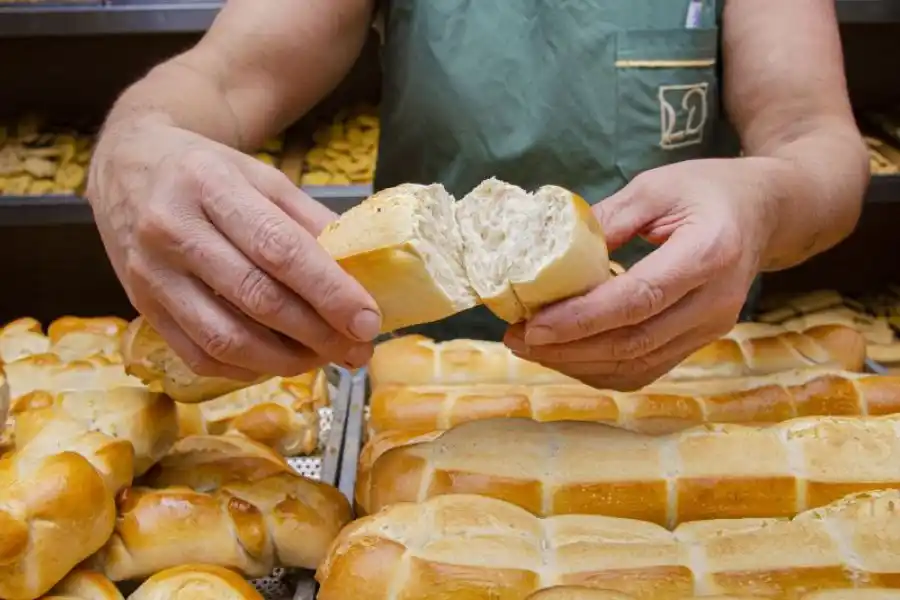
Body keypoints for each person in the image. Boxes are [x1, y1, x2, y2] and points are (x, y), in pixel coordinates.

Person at [87, 0, 869, 392]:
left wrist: (767, 202)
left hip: (689, 376)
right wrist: (135, 144)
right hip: (417, 388)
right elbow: (217, 79)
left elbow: (818, 143)